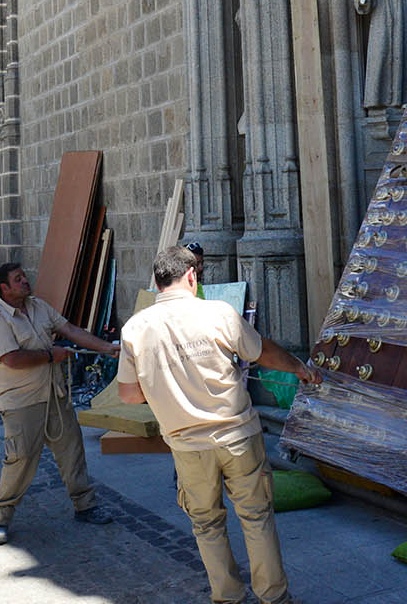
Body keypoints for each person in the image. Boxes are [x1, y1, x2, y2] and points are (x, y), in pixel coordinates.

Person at [117, 246, 321, 604]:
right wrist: (300, 368)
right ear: (191, 276)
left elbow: (130, 396)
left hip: (187, 447)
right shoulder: (218, 313)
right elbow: (262, 352)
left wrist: (169, 387)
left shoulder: (135, 328)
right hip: (237, 436)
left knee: (207, 525)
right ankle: (274, 598)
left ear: (158, 281)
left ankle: (227, 597)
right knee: (256, 517)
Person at [0, 261, 119, 544]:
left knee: (72, 450)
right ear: (4, 288)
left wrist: (107, 348)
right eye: (18, 279)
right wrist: (49, 356)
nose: (25, 281)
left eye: (24, 277)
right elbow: (12, 359)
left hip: (55, 393)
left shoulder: (39, 307)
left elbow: (71, 330)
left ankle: (85, 505)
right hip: (21, 401)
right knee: (20, 460)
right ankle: (1, 518)